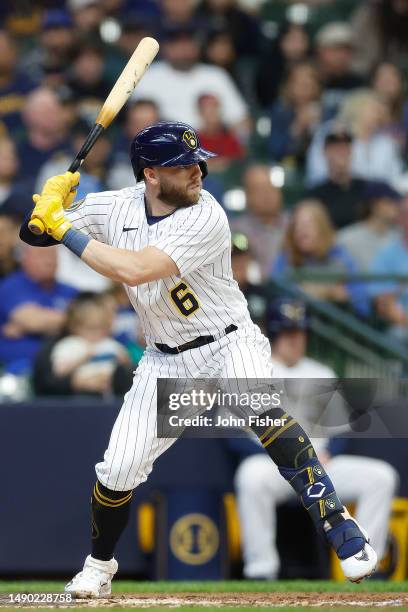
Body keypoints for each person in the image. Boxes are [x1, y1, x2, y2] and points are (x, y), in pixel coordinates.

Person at [20, 121, 377, 597]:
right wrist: (48, 203)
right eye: (182, 165)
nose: (198, 171)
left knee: (257, 403)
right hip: (165, 361)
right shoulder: (115, 206)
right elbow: (35, 237)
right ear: (150, 174)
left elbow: (134, 267)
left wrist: (63, 225)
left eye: (198, 161)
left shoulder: (206, 215)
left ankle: (340, 526)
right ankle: (98, 568)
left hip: (228, 342)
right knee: (119, 468)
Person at [233, 298, 398, 580]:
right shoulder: (252, 371)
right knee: (250, 476)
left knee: (381, 477)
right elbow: (233, 433)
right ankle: (260, 570)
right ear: (272, 334)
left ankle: (368, 564)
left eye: (299, 332)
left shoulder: (322, 373)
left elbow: (341, 431)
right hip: (272, 466)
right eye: (287, 332)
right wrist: (274, 457)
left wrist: (329, 453)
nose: (295, 339)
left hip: (320, 466)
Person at [271, 200, 369, 317]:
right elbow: (275, 296)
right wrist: (323, 292)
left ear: (321, 228)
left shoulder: (341, 256)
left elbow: (362, 305)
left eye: (307, 225)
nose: (301, 230)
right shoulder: (285, 258)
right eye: (296, 225)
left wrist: (327, 292)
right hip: (296, 325)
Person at [33, 292, 132, 397]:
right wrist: (78, 382)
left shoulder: (111, 344)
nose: (96, 332)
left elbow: (126, 363)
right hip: (74, 401)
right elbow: (47, 381)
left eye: (101, 326)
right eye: (91, 327)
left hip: (110, 395)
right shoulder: (64, 345)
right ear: (75, 325)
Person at [0, 245, 76, 374]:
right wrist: (69, 324)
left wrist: (25, 327)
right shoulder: (11, 286)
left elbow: (88, 321)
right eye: (42, 255)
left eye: (53, 256)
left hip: (63, 369)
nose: (49, 261)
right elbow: (33, 322)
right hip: (17, 369)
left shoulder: (70, 291)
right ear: (25, 259)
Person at [230, 165, 288, 279]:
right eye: (258, 190)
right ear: (247, 196)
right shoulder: (233, 230)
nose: (267, 195)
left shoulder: (295, 226)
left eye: (271, 188)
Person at [307, 128, 367, 229]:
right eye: (335, 148)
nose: (341, 153)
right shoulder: (315, 195)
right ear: (325, 152)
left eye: (344, 147)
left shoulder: (366, 188)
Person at [369, 196, 408, 342]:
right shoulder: (385, 255)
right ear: (399, 218)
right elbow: (383, 303)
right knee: (398, 335)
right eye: (406, 213)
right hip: (401, 327)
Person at [337, 182, 401, 271]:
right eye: (389, 201)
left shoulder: (401, 236)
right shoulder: (346, 238)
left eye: (396, 202)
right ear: (373, 204)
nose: (396, 206)